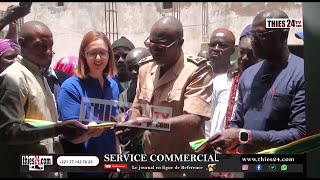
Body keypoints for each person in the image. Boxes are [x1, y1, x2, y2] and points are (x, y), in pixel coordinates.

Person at [207, 9, 306, 178]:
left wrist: (244, 136)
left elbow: (300, 134)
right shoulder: (248, 75)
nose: (254, 41)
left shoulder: (302, 73)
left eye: (262, 35)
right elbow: (237, 122)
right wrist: (226, 139)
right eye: (252, 35)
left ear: (283, 34)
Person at [116, 16, 213, 178]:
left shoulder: (197, 70)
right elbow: (137, 106)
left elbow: (194, 120)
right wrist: (130, 122)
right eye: (150, 44)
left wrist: (146, 124)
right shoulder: (145, 68)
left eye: (161, 46)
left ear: (179, 43)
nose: (154, 51)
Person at [0, 21, 88, 178]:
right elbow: (9, 132)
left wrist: (71, 133)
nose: (47, 51)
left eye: (50, 45)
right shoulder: (14, 78)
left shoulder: (39, 76)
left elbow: (42, 129)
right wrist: (58, 129)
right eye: (41, 45)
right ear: (22, 44)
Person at [57, 31, 120, 178]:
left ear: (109, 55)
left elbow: (114, 128)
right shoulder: (71, 87)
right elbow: (70, 136)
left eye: (103, 53)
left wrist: (117, 162)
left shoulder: (113, 84)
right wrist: (89, 133)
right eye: (93, 53)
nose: (98, 58)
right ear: (84, 55)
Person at [207, 24, 258, 178]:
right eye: (242, 52)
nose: (244, 58)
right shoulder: (221, 82)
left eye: (252, 54)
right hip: (217, 152)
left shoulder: (263, 85)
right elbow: (210, 122)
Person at [205, 28, 235, 138]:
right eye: (212, 45)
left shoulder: (234, 80)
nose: (216, 49)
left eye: (222, 46)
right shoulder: (198, 74)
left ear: (232, 50)